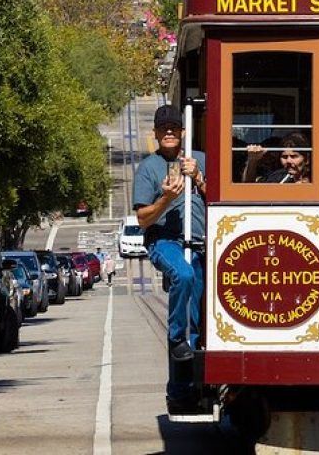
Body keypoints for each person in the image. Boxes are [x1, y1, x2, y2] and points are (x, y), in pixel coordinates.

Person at [132, 104, 207, 413]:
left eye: (174, 128)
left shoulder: (200, 159)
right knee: (184, 276)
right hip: (166, 242)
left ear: (183, 131)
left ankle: (183, 392)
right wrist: (166, 198)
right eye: (163, 129)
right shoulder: (149, 168)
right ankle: (176, 340)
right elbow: (142, 219)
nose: (169, 132)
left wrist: (199, 178)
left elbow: (223, 199)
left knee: (198, 320)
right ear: (156, 134)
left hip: (200, 243)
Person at [243, 133, 310, 183]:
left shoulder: (317, 178)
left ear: (306, 159)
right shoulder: (279, 177)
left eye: (294, 156)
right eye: (284, 157)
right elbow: (249, 187)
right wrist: (252, 160)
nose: (288, 161)